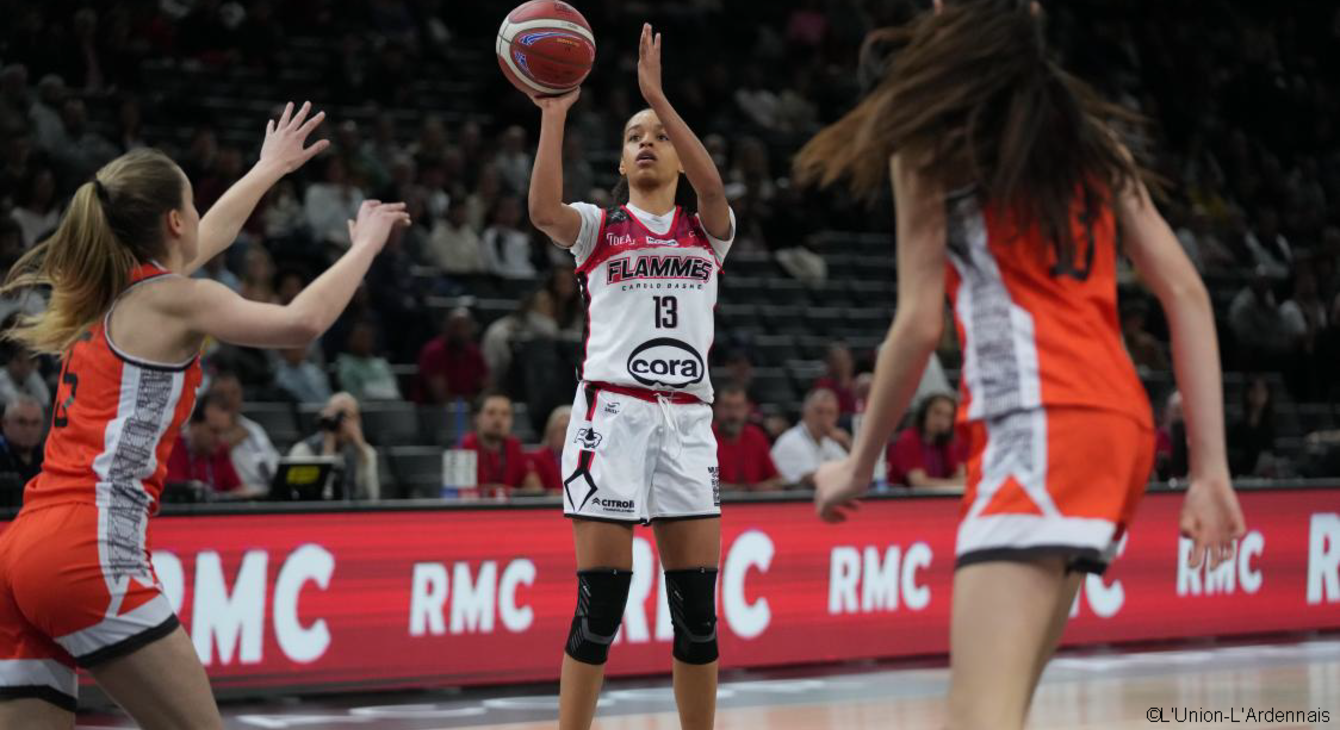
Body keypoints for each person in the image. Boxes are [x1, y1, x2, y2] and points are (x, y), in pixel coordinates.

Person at [794, 4, 1244, 730]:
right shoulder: (1092, 140)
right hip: (1115, 429)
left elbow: (916, 326)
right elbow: (1187, 293)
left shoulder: (934, 140)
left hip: (1040, 423)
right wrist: (1210, 470)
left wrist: (855, 467)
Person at [0, 101, 409, 728]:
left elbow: (205, 237)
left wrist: (268, 168)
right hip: (90, 546)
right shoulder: (173, 300)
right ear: (172, 219)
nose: (200, 217)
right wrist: (365, 248)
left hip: (23, 548)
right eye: (192, 204)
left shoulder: (109, 291)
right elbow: (301, 320)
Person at [527, 24, 735, 730]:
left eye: (659, 135)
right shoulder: (599, 225)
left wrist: (657, 96)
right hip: (610, 419)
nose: (646, 141)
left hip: (687, 423)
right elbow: (541, 212)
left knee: (699, 617)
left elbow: (713, 182)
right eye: (633, 135)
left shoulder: (709, 228)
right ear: (620, 160)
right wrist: (555, 117)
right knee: (602, 606)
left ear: (679, 155)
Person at [288, 392, 380, 500]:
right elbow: (318, 498)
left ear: (357, 420)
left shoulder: (366, 453)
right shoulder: (303, 451)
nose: (341, 423)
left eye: (347, 417)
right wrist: (328, 453)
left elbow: (372, 497)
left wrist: (362, 453)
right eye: (337, 416)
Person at [165, 393, 250, 497]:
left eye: (224, 432)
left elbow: (240, 491)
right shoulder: (172, 448)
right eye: (214, 431)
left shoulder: (220, 452)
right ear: (194, 425)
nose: (221, 439)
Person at [208, 370, 280, 491]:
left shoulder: (253, 428)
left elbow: (275, 465)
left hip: (268, 492)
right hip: (235, 499)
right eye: (221, 394)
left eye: (234, 393)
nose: (228, 399)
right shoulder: (207, 431)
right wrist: (228, 444)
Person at [458, 391, 540, 497]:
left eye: (505, 414)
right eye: (491, 413)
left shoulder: (514, 446)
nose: (498, 419)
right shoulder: (464, 447)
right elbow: (461, 494)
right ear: (477, 418)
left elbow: (534, 488)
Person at [771, 388, 850, 487]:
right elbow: (813, 480)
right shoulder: (791, 441)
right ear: (805, 412)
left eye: (830, 413)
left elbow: (854, 473)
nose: (824, 418)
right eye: (819, 411)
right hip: (789, 501)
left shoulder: (830, 441)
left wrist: (847, 444)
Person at [886, 393, 966, 488]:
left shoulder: (949, 441)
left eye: (948, 416)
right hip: (905, 500)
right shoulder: (908, 439)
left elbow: (962, 476)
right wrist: (955, 484)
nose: (942, 420)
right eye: (937, 413)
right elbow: (919, 483)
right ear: (924, 413)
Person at [713, 383, 781, 491]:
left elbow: (776, 480)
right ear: (715, 408)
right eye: (727, 406)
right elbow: (701, 485)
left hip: (754, 505)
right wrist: (740, 491)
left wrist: (753, 490)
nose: (733, 414)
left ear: (747, 408)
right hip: (718, 505)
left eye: (738, 407)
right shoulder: (706, 437)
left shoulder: (755, 436)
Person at [415, 307, 490, 405]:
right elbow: (441, 398)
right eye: (456, 327)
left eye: (465, 327)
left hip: (467, 412)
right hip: (434, 414)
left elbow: (486, 387)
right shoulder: (433, 351)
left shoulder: (474, 352)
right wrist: (473, 402)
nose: (461, 332)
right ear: (446, 327)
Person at [0, 394, 45, 484]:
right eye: (21, 422)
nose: (29, 430)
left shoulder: (48, 458)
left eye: (35, 423)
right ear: (4, 423)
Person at [529, 405, 571, 494]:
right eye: (563, 429)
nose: (567, 434)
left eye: (571, 429)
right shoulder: (537, 459)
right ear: (551, 431)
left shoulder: (584, 459)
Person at [0, 341, 50, 407]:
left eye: (29, 361)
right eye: (19, 360)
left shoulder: (29, 374)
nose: (24, 366)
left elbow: (45, 400)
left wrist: (31, 371)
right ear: (9, 360)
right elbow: (15, 401)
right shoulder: (1, 376)